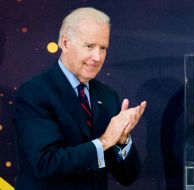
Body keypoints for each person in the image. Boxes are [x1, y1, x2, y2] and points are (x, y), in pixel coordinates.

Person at [12, 7, 146, 190]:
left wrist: (122, 141)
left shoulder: (108, 96)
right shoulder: (34, 93)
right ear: (65, 43)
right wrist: (105, 141)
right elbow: (46, 163)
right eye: (89, 46)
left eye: (103, 48)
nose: (97, 57)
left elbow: (128, 177)